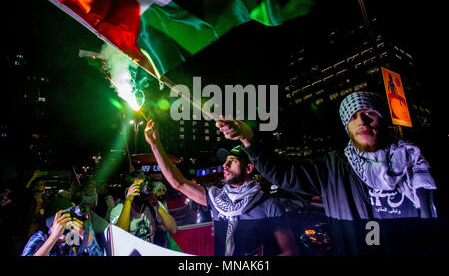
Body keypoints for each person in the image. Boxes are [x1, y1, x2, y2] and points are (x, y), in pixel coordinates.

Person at [216, 91, 439, 255]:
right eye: (353, 117)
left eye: (369, 113)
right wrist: (248, 139)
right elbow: (283, 173)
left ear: (383, 119)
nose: (361, 121)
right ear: (346, 127)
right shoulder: (333, 168)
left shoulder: (417, 163)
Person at [144, 120, 299, 256]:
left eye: (233, 161)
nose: (225, 165)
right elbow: (178, 182)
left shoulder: (269, 205)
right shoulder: (216, 198)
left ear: (249, 168)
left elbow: (290, 251)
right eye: (225, 161)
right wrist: (155, 146)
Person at [109, 170, 177, 244]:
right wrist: (128, 201)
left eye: (144, 186)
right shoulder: (118, 210)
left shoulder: (152, 206)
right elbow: (120, 236)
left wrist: (157, 206)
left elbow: (173, 229)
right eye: (138, 187)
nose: (143, 190)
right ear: (128, 190)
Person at [21, 199, 103, 256]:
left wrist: (87, 239)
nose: (65, 223)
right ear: (52, 223)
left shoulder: (75, 235)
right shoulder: (41, 237)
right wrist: (53, 237)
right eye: (62, 219)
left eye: (68, 218)